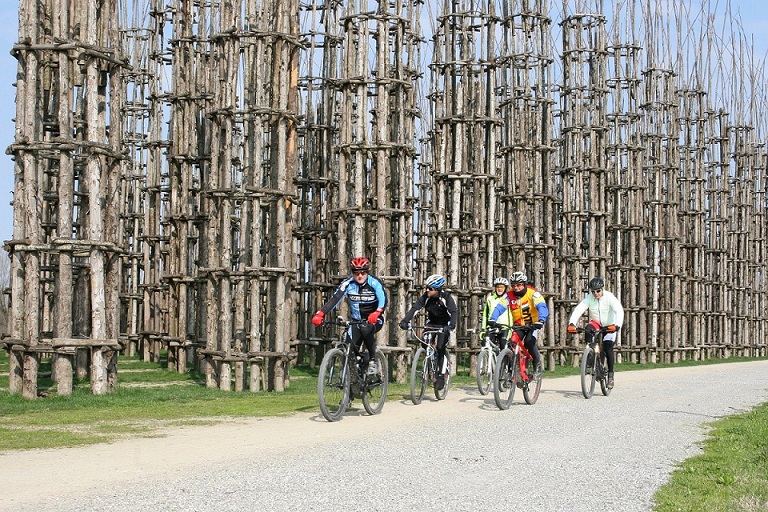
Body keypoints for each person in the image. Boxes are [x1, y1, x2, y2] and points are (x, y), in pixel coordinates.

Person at [311, 257, 388, 375]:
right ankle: (352, 382)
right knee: (349, 347)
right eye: (357, 273)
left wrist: (377, 312)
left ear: (367, 272)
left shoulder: (374, 283)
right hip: (356, 321)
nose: (360, 276)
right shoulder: (348, 283)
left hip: (374, 319)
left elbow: (383, 300)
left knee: (365, 328)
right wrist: (321, 313)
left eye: (363, 273)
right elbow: (335, 299)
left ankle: (373, 361)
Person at [398, 274, 458, 390]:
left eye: (430, 288)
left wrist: (451, 325)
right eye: (427, 287)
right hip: (432, 322)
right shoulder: (426, 297)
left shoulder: (446, 297)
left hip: (444, 325)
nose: (427, 290)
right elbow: (415, 308)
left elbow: (453, 312)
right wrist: (405, 320)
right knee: (425, 344)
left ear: (437, 289)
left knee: (440, 347)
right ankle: (430, 367)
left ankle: (441, 374)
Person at [567, 276, 624, 389]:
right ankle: (591, 356)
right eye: (593, 292)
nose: (596, 293)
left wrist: (617, 325)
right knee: (588, 329)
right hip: (597, 323)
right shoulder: (589, 298)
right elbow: (579, 309)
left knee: (607, 347)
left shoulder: (609, 297)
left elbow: (619, 310)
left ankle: (611, 376)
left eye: (598, 291)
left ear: (602, 289)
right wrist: (572, 324)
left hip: (610, 325)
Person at [487, 271, 548, 372]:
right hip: (518, 326)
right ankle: (511, 372)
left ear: (524, 284)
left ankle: (537, 363)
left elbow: (542, 306)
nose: (516, 287)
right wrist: (493, 318)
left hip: (533, 325)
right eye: (513, 285)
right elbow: (499, 308)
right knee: (512, 343)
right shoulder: (509, 295)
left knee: (529, 342)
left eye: (519, 285)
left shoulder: (533, 293)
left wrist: (541, 320)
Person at [481, 277, 512, 348]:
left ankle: (504, 358)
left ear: (505, 288)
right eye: (498, 287)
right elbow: (485, 315)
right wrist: (483, 329)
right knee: (485, 343)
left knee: (503, 344)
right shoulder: (490, 299)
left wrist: (510, 328)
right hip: (492, 326)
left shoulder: (508, 299)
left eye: (502, 287)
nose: (500, 289)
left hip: (504, 326)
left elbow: (511, 315)